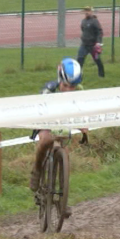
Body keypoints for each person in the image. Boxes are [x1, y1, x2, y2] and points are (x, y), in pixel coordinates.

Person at [29, 58, 86, 194]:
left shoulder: (80, 92)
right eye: (65, 86)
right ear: (59, 80)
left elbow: (83, 110)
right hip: (45, 120)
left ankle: (63, 197)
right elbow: (40, 112)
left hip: (63, 122)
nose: (68, 90)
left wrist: (83, 125)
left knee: (65, 153)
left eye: (72, 87)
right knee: (46, 140)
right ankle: (37, 169)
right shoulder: (49, 90)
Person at [77, 6, 105, 78]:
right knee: (80, 59)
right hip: (84, 45)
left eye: (88, 11)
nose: (86, 12)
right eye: (85, 11)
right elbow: (83, 30)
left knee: (97, 60)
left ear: (91, 12)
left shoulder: (94, 21)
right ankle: (78, 76)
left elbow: (99, 31)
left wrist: (98, 42)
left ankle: (101, 75)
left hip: (93, 46)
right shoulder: (83, 21)